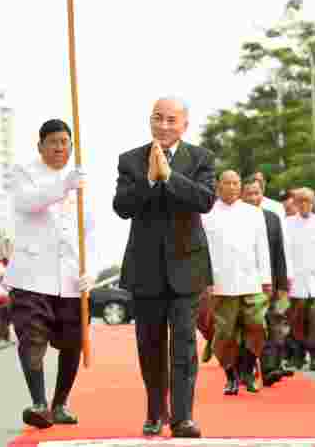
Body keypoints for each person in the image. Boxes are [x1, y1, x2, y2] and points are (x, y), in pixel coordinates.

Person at [113, 97, 216, 439]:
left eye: (172, 119)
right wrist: (149, 179)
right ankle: (155, 412)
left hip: (187, 266)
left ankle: (183, 417)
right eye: (158, 118)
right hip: (145, 268)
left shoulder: (200, 158)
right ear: (150, 121)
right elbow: (122, 207)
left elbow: (204, 200)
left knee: (184, 345)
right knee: (150, 344)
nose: (164, 125)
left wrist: (170, 177)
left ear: (185, 124)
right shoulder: (130, 160)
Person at [4, 119, 94, 429]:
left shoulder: (78, 180)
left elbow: (89, 231)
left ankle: (60, 404)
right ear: (40, 145)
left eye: (65, 142)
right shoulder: (23, 172)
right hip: (31, 276)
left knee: (73, 343)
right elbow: (27, 203)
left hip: (69, 277)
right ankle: (38, 403)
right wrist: (63, 185)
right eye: (53, 141)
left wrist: (89, 270)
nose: (60, 147)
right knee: (31, 338)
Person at [201, 170, 270, 396]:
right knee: (224, 334)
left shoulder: (253, 212)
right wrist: (206, 280)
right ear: (218, 186)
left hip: (251, 280)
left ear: (240, 186)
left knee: (257, 325)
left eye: (235, 183)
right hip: (221, 283)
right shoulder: (206, 213)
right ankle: (231, 376)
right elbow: (201, 251)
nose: (231, 187)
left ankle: (248, 370)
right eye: (227, 183)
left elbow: (262, 247)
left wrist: (266, 279)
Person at [242, 179, 292, 387]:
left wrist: (281, 285)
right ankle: (246, 369)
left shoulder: (272, 218)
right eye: (249, 194)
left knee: (273, 324)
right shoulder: (236, 219)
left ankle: (270, 368)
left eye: (257, 193)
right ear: (241, 195)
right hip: (244, 283)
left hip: (269, 282)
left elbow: (279, 253)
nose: (254, 198)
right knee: (252, 327)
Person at [284, 188, 315, 371]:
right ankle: (298, 355)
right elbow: (286, 252)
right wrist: (287, 276)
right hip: (296, 280)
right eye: (301, 201)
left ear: (313, 203)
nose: (304, 205)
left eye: (308, 201)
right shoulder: (287, 224)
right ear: (295, 203)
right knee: (297, 320)